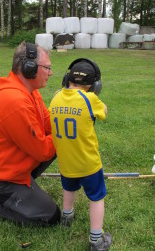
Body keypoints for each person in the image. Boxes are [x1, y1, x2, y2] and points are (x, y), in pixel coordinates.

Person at [0, 41, 61, 226]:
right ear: (29, 68)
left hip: (10, 167)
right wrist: (63, 136)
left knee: (59, 143)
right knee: (50, 216)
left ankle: (21, 190)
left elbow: (48, 124)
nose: (50, 73)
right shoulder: (14, 101)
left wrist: (70, 123)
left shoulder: (31, 92)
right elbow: (42, 150)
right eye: (47, 68)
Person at [49, 58, 112, 250]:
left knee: (69, 188)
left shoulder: (56, 95)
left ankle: (66, 215)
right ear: (95, 86)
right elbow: (104, 112)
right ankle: (96, 239)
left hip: (66, 162)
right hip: (88, 163)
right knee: (96, 197)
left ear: (66, 79)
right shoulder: (90, 99)